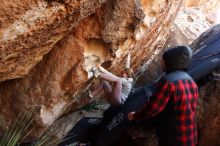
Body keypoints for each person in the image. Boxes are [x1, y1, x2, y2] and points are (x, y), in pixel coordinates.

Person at [128, 46, 198, 146]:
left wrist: (134, 115)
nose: (161, 62)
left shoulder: (168, 81)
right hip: (190, 136)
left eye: (164, 59)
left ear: (170, 62)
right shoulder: (191, 81)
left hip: (175, 137)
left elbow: (153, 108)